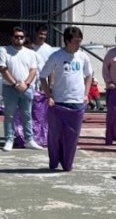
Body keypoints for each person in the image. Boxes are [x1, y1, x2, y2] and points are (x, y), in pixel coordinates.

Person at [39, 26, 93, 171]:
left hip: (77, 102)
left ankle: (67, 163)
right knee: (55, 135)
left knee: (72, 137)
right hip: (58, 102)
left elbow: (89, 75)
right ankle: (54, 161)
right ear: (67, 41)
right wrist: (49, 95)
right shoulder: (56, 56)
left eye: (80, 41)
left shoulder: (83, 57)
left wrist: (86, 94)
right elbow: (42, 76)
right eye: (75, 41)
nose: (78, 44)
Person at [0, 26, 43, 152]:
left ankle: (29, 140)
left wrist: (26, 84)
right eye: (16, 36)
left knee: (27, 115)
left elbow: (33, 70)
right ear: (12, 38)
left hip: (27, 89)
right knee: (9, 115)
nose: (19, 39)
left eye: (21, 37)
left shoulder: (30, 53)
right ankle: (9, 140)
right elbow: (3, 69)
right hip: (10, 88)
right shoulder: (4, 51)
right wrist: (15, 84)